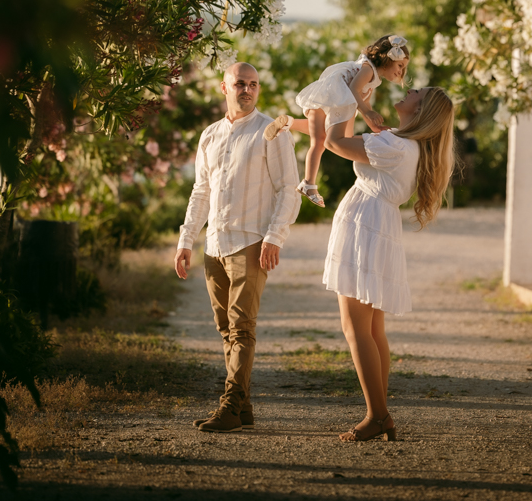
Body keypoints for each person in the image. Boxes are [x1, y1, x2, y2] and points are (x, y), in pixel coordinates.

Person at [321, 86, 456, 442]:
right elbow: (338, 135)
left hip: (366, 226)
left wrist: (349, 97)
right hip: (375, 226)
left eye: (419, 91)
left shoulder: (395, 146)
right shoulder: (400, 142)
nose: (410, 87)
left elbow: (336, 143)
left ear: (421, 109)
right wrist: (294, 124)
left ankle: (378, 415)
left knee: (356, 329)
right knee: (373, 329)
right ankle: (378, 413)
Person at [175, 62, 301, 433]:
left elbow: (288, 189)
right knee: (225, 329)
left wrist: (275, 237)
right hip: (214, 245)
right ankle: (243, 409)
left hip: (251, 242)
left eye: (254, 84)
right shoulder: (209, 136)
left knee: (242, 327)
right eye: (240, 83)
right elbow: (201, 192)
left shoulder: (272, 132)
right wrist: (186, 240)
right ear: (223, 87)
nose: (247, 89)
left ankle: (229, 406)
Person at [264, 34, 410, 208]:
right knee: (328, 142)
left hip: (327, 94)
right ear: (387, 58)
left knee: (320, 138)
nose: (401, 71)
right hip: (337, 97)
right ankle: (308, 184)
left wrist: (374, 124)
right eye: (400, 65)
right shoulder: (368, 69)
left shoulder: (372, 74)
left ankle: (289, 123)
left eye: (403, 68)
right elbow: (354, 89)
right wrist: (367, 113)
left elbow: (365, 99)